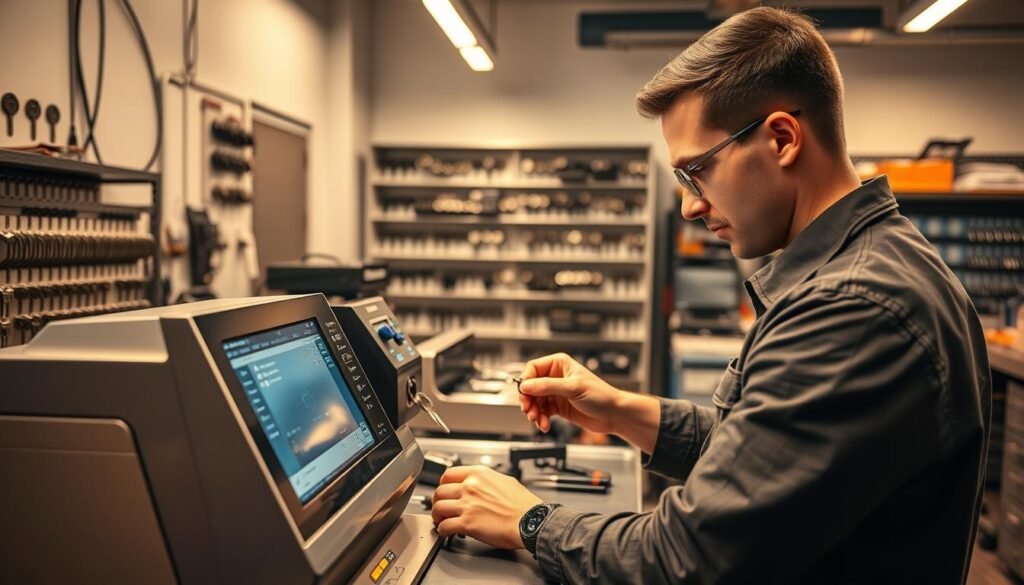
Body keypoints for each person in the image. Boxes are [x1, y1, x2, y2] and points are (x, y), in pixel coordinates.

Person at [430, 7, 991, 584]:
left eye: (697, 171)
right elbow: (758, 459)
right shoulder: (871, 265)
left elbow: (685, 560)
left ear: (781, 138)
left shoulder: (853, 307)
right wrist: (618, 408)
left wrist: (528, 519)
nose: (689, 205)